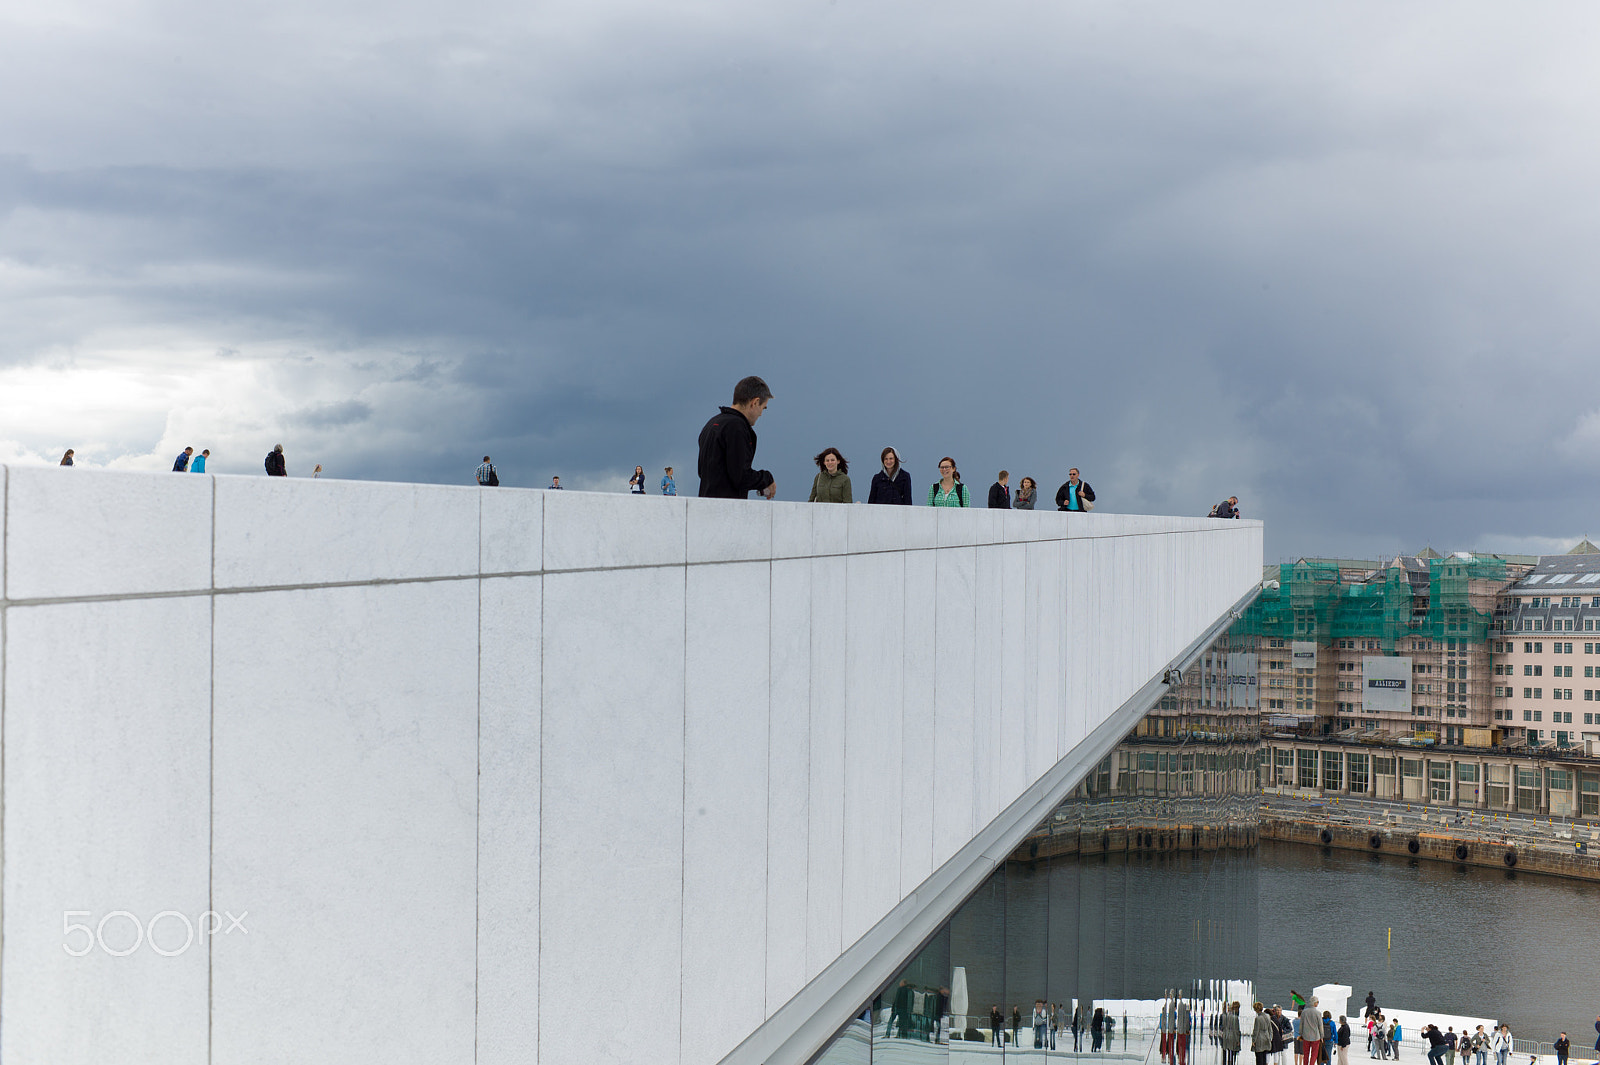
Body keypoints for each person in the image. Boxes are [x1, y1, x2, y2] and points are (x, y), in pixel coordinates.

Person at [698, 375, 776, 499]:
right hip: (727, 509)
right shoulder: (737, 427)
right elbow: (741, 477)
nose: (761, 414)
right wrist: (767, 479)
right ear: (755, 402)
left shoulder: (711, 424)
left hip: (704, 505)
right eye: (763, 408)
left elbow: (702, 472)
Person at [1300, 999, 1323, 1065]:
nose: (1318, 1003)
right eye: (1317, 1002)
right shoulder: (1318, 1013)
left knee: (1306, 1054)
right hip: (1315, 1037)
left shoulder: (1304, 1012)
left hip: (1306, 1036)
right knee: (1314, 1054)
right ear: (1314, 1003)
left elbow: (1301, 1023)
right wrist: (1322, 1036)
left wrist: (1301, 1033)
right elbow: (1320, 1026)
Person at [1218, 1001, 1241, 1065]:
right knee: (1232, 1055)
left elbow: (1221, 1027)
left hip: (1225, 1036)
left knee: (1225, 1053)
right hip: (1233, 1037)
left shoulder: (1224, 1016)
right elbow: (1236, 1030)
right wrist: (1238, 1040)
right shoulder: (1235, 1018)